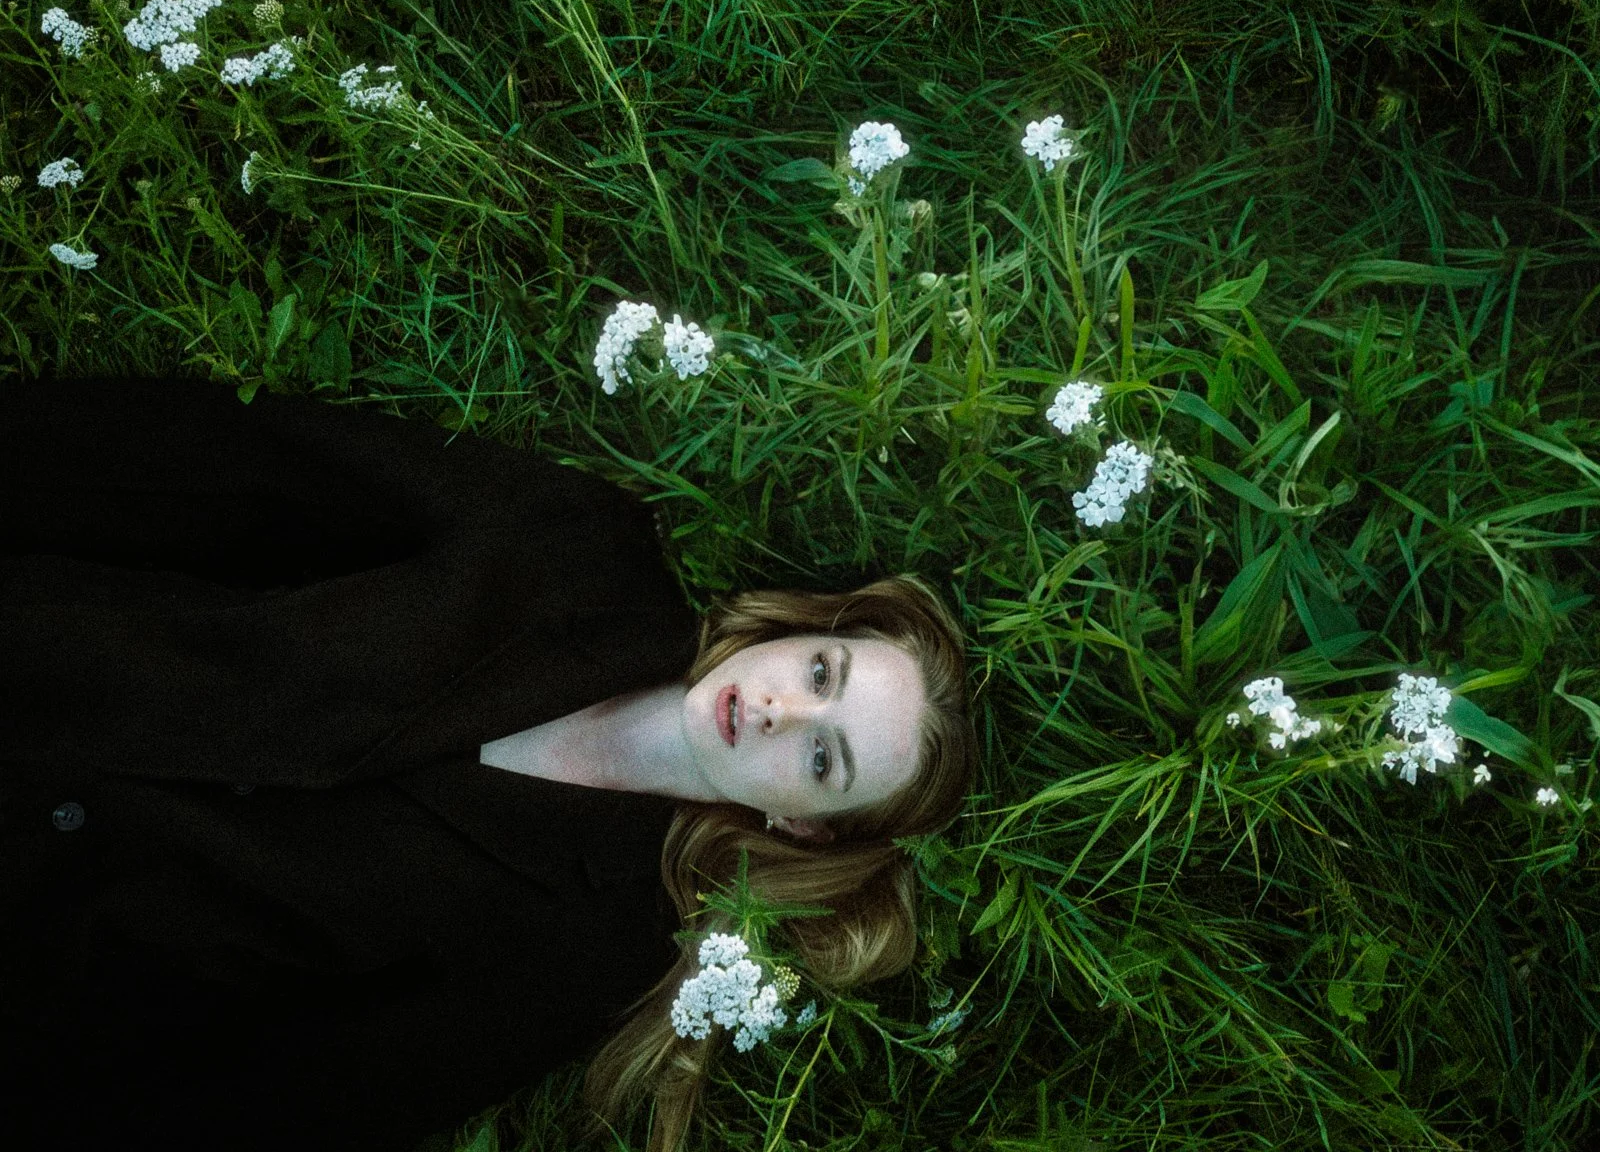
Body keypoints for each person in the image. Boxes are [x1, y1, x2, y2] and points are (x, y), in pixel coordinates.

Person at [0, 374, 978, 1151]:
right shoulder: (572, 545)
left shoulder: (586, 956)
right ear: (803, 627)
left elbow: (297, 1099)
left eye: (822, 754)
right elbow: (242, 470)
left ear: (801, 824)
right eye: (821, 670)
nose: (779, 709)